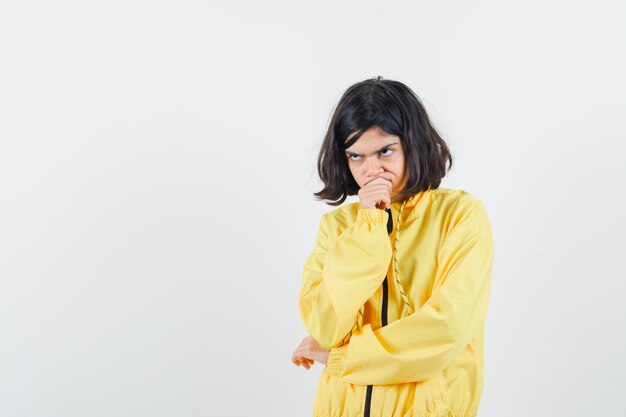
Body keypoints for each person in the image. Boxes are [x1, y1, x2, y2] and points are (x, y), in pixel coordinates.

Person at [291, 76, 495, 417]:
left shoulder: (460, 216)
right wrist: (368, 225)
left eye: (385, 151)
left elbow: (446, 329)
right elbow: (325, 327)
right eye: (356, 156)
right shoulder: (338, 228)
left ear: (413, 144)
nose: (371, 170)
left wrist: (343, 357)